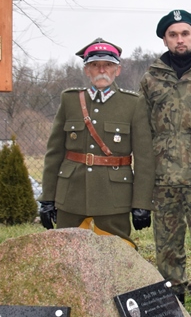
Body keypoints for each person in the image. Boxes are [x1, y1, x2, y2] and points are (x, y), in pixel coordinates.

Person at [139, 9, 191, 317]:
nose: (179, 40)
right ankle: (175, 305)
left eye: (184, 33)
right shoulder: (150, 79)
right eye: (173, 35)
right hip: (163, 178)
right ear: (165, 39)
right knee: (167, 245)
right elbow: (142, 132)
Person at [39, 39, 154, 243]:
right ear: (87, 70)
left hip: (113, 198)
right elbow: (54, 153)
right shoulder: (70, 100)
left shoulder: (133, 104)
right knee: (69, 255)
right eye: (95, 65)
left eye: (108, 65)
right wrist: (47, 198)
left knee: (118, 255)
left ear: (117, 70)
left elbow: (144, 159)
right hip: (71, 197)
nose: (102, 69)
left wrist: (141, 203)